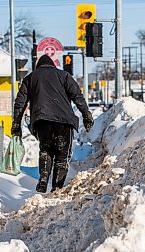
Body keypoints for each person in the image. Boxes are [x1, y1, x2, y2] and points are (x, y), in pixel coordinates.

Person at [11, 55, 94, 193]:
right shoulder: (63, 75)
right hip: (63, 121)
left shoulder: (30, 78)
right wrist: (86, 115)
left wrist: (16, 124)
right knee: (62, 155)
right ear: (52, 65)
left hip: (42, 121)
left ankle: (43, 179)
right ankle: (57, 187)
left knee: (46, 150)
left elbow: (20, 103)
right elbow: (77, 96)